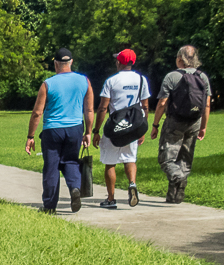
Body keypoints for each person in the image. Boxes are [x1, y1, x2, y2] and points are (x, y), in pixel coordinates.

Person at [26, 48, 94, 214]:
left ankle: (49, 206)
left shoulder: (48, 84)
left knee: (51, 166)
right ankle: (75, 189)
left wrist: (30, 136)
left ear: (55, 63)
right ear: (71, 62)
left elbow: (37, 113)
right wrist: (88, 132)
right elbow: (90, 110)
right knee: (71, 161)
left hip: (53, 130)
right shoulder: (84, 81)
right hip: (75, 129)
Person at [150, 45, 211, 204]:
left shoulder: (172, 76)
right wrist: (203, 126)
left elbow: (162, 103)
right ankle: (175, 197)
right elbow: (207, 105)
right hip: (194, 122)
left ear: (179, 59)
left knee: (166, 158)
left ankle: (177, 178)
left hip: (174, 122)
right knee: (185, 158)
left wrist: (155, 125)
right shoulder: (202, 77)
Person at [91, 48, 151, 209]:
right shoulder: (141, 80)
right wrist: (142, 129)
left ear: (119, 62)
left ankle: (111, 199)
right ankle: (132, 184)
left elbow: (103, 107)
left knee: (110, 162)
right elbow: (145, 106)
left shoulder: (111, 81)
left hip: (115, 126)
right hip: (133, 126)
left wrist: (96, 131)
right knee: (130, 159)